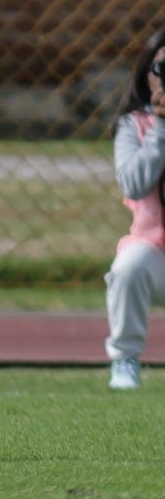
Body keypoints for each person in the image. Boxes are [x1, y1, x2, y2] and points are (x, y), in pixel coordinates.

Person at [105, 25, 165, 390]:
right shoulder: (135, 125)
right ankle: (125, 359)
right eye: (163, 69)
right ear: (147, 76)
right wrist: (160, 128)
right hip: (156, 253)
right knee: (128, 267)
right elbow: (134, 183)